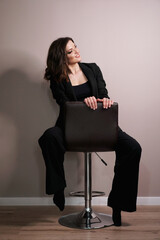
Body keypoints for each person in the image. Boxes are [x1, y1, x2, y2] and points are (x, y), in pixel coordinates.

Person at [38, 37, 142, 226]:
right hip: (70, 128)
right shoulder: (57, 78)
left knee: (133, 148)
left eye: (75, 47)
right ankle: (58, 188)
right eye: (70, 51)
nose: (76, 51)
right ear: (62, 57)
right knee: (49, 137)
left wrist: (105, 101)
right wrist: (83, 103)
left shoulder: (92, 68)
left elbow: (104, 94)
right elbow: (63, 103)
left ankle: (118, 205)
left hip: (101, 126)